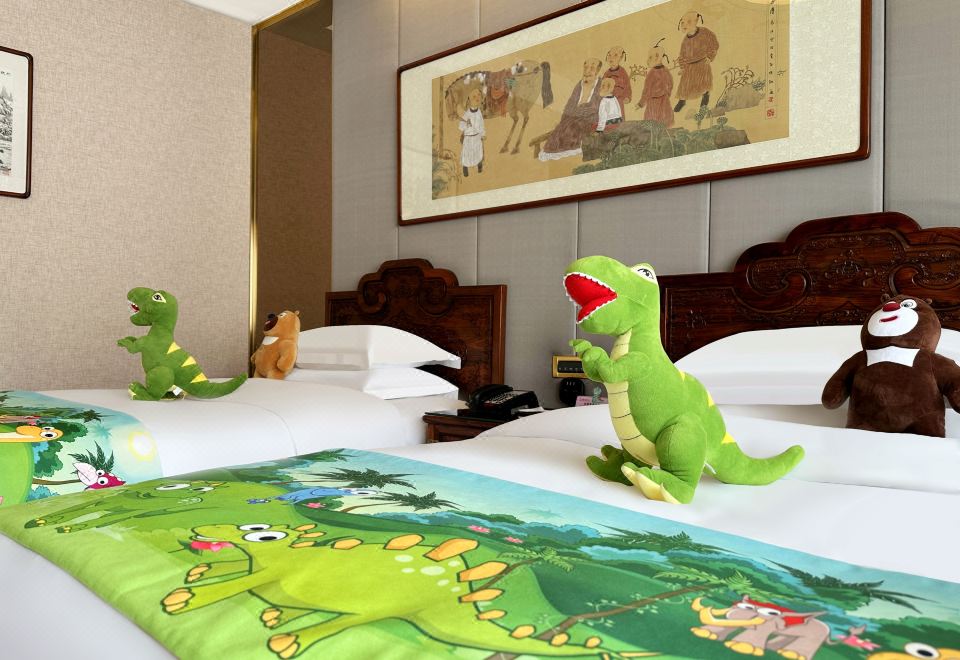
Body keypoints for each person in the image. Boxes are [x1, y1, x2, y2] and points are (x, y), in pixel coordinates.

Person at [538, 58, 603, 161]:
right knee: (560, 130)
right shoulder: (580, 84)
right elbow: (571, 103)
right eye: (585, 67)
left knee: (572, 129)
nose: (587, 71)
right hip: (574, 118)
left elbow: (597, 106)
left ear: (598, 70)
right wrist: (564, 119)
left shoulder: (601, 84)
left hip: (591, 119)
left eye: (592, 68)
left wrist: (580, 110)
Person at [674, 11, 719, 113]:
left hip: (702, 64)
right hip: (689, 66)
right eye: (682, 22)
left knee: (704, 84)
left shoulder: (705, 32)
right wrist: (682, 67)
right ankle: (682, 101)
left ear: (696, 21)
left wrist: (710, 57)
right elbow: (682, 55)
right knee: (684, 86)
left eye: (689, 22)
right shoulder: (685, 40)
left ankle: (705, 101)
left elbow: (714, 43)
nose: (684, 25)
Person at [637, 38, 675, 128]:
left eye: (650, 57)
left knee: (663, 122)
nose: (648, 60)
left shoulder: (661, 72)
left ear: (657, 57)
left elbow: (670, 84)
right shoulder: (655, 72)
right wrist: (641, 103)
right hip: (654, 102)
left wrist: (666, 94)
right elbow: (647, 90)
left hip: (661, 102)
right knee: (654, 124)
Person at [458, 88, 485, 176]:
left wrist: (482, 134)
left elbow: (481, 124)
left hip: (477, 137)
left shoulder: (479, 112)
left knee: (478, 153)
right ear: (469, 100)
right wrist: (466, 124)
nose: (477, 98)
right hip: (469, 138)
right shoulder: (466, 114)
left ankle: (480, 168)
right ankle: (465, 171)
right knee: (467, 155)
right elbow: (460, 126)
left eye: (479, 95)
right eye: (474, 97)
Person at [601, 46, 632, 118]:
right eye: (609, 55)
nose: (611, 58)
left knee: (619, 119)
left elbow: (627, 86)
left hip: (619, 101)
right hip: (608, 101)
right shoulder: (606, 73)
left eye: (615, 55)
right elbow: (602, 87)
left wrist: (627, 97)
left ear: (620, 58)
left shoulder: (622, 72)